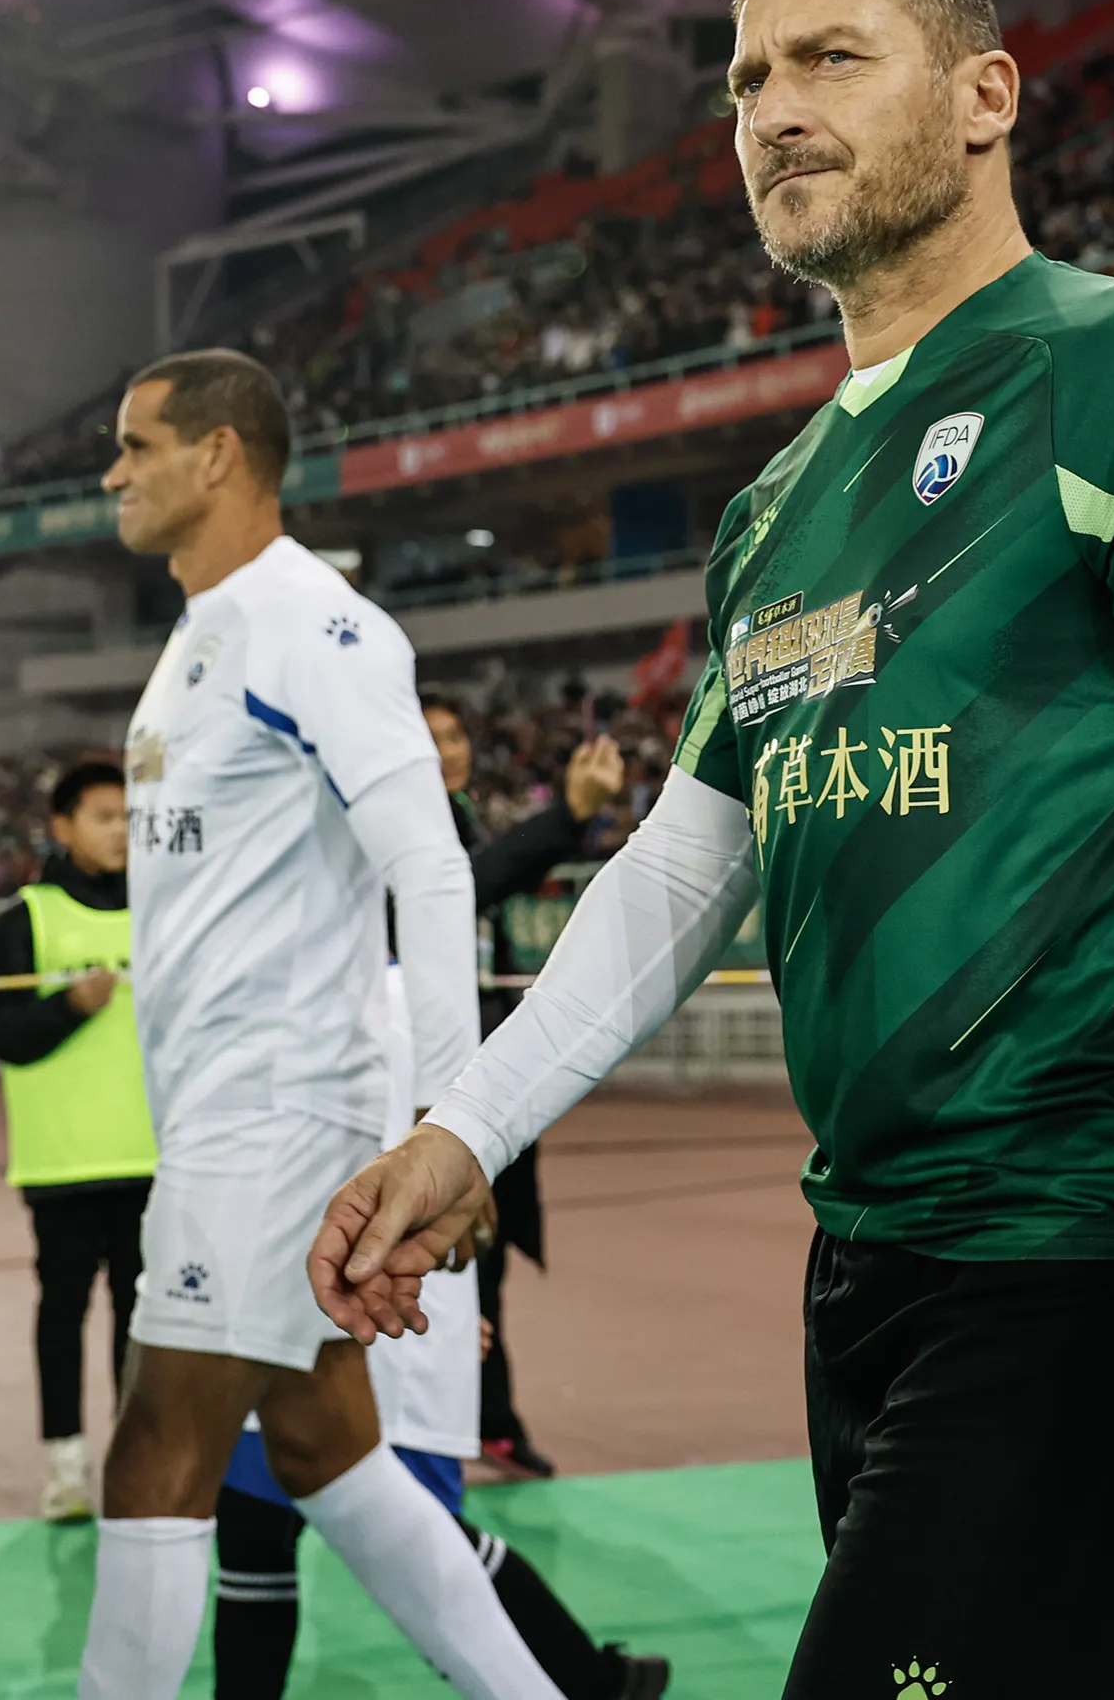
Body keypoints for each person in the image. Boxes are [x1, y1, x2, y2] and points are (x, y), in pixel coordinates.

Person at [313, 0, 1114, 1699]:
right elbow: (685, 862)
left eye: (828, 59)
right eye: (744, 79)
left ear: (984, 96)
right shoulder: (777, 505)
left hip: (1083, 1245)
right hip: (868, 1252)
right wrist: (465, 1127)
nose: (771, 109)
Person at [75, 347, 562, 1700]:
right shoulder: (199, 636)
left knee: (155, 1453)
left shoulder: (319, 624)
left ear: (219, 454)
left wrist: (455, 1125)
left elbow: (435, 865)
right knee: (324, 1451)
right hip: (225, 1113)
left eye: (135, 443)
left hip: (278, 1112)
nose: (112, 472)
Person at [208, 959, 671, 1700]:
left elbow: (470, 1178)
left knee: (413, 1545)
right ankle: (591, 1681)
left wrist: (455, 1319)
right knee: (267, 1533)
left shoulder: (382, 990)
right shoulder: (362, 983)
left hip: (365, 1316)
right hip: (335, 1311)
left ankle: (585, 1680)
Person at [420, 689, 627, 1481]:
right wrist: (565, 818)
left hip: (481, 1079)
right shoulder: (391, 834)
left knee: (486, 1253)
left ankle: (488, 1421)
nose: (447, 749)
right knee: (441, 1256)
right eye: (427, 736)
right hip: (425, 1092)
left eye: (455, 734)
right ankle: (435, 1424)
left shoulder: (460, 817)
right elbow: (463, 892)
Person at [0, 758, 153, 1525]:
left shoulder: (168, 907)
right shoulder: (28, 920)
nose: (120, 830)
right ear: (64, 827)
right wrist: (69, 1007)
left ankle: (138, 1458)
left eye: (130, 815)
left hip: (156, 1158)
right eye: (104, 816)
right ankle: (65, 1463)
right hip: (64, 1161)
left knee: (144, 1317)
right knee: (65, 1311)